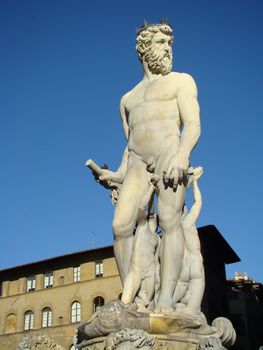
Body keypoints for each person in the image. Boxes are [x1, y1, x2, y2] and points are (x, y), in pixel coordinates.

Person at [97, 20, 201, 311]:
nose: (168, 49)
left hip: (169, 151)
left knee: (169, 222)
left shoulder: (182, 81)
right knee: (120, 225)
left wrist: (182, 155)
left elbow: (193, 124)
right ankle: (134, 296)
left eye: (170, 44)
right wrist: (115, 175)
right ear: (143, 48)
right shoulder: (127, 99)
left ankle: (165, 298)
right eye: (161, 43)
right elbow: (130, 147)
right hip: (139, 162)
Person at [173, 166, 205, 315]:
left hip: (182, 270)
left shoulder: (172, 230)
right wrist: (195, 183)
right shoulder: (188, 223)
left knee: (170, 306)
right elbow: (198, 203)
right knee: (194, 312)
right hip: (195, 264)